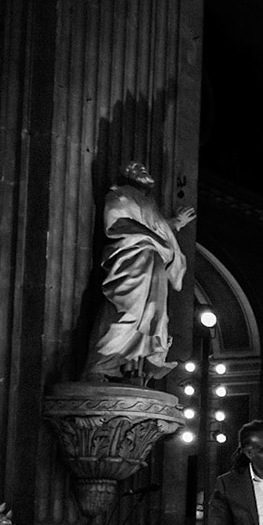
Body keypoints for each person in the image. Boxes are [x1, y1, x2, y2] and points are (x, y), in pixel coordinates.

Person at [82, 161, 193, 384]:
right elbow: (118, 223)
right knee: (129, 310)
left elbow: (155, 227)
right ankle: (100, 364)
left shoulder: (147, 203)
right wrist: (155, 238)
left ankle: (134, 368)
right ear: (126, 175)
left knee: (153, 314)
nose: (143, 171)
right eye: (135, 169)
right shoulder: (121, 195)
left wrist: (175, 224)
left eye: (144, 169)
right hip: (134, 258)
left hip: (154, 261)